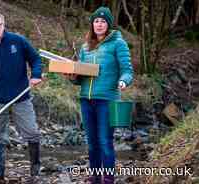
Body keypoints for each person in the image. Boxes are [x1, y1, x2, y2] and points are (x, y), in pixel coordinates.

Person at [67, 7, 133, 184]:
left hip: (107, 100)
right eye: (96, 21)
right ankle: (95, 177)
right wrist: (72, 76)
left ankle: (108, 179)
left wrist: (123, 82)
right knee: (92, 143)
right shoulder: (85, 47)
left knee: (105, 141)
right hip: (86, 100)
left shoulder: (118, 43)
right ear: (92, 24)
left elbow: (127, 70)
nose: (99, 24)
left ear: (108, 25)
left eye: (103, 21)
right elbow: (80, 79)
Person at [0, 12, 42, 184]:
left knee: (32, 132)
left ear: (3, 24)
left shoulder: (18, 41)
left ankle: (35, 171)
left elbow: (35, 59)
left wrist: (36, 74)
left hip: (21, 97)